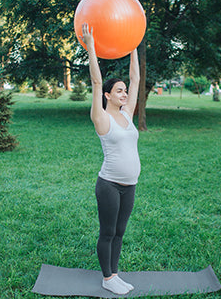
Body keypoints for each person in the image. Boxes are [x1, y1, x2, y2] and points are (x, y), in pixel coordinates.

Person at [81, 23, 140, 295]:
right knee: (107, 232)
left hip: (130, 185)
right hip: (109, 185)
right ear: (106, 95)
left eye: (124, 90)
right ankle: (108, 278)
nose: (124, 93)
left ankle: (114, 275)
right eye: (118, 90)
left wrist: (133, 45)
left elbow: (136, 79)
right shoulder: (101, 117)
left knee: (120, 232)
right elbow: (95, 80)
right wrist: (91, 47)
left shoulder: (127, 113)